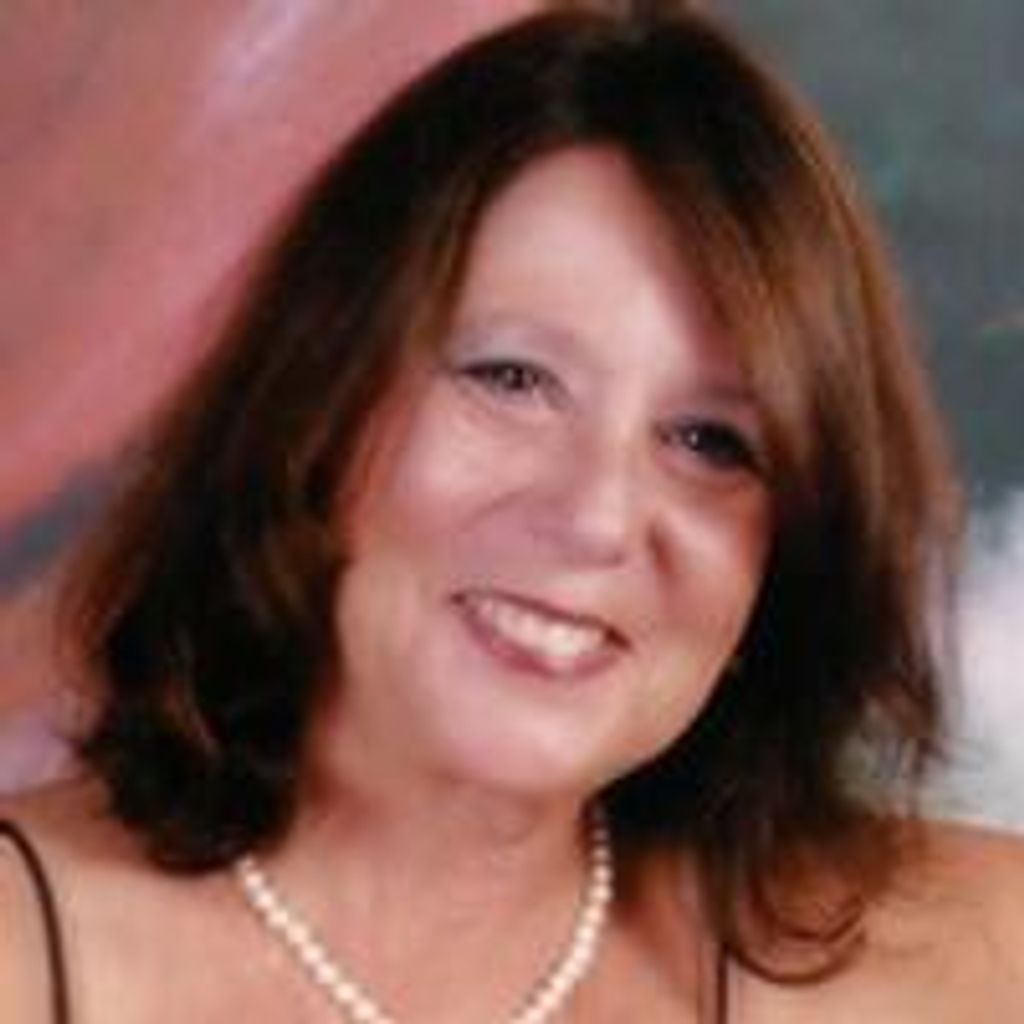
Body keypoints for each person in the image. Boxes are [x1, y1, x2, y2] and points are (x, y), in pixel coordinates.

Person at [2, 3, 1023, 1021]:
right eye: (512, 378)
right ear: (314, 410)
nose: (596, 516)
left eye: (711, 441)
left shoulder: (975, 955)